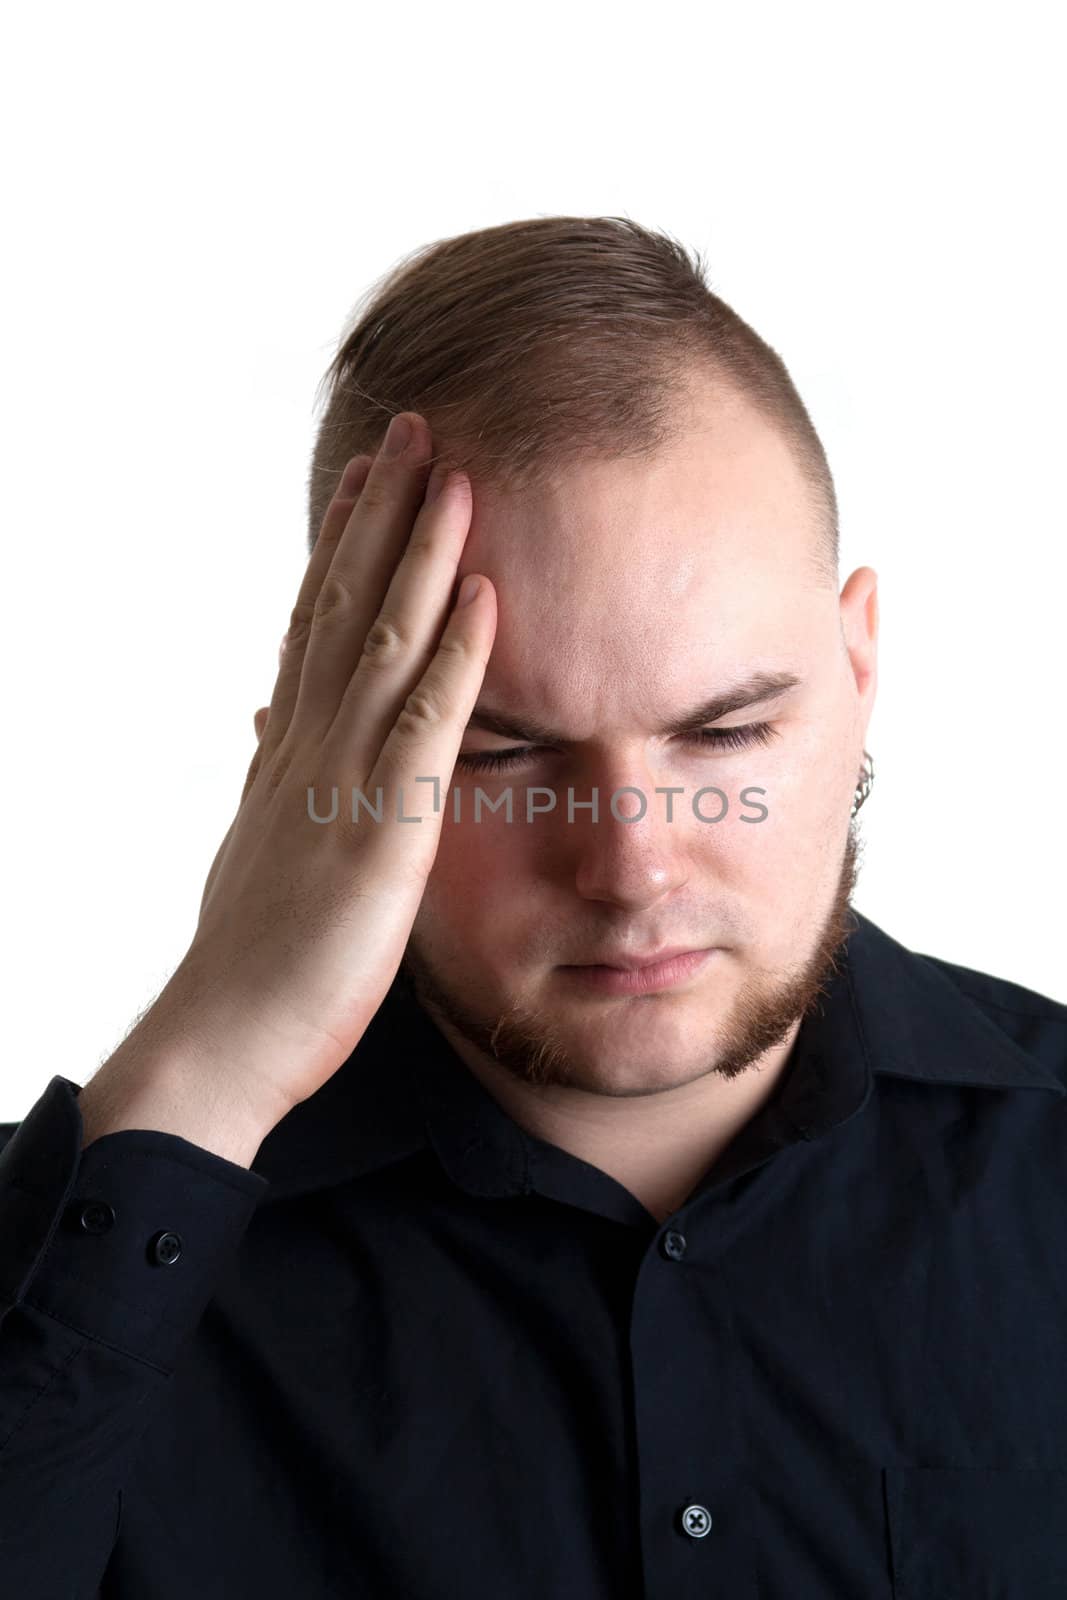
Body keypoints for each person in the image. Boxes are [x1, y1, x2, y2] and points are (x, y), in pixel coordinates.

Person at [1, 216, 1065, 1599]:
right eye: (501, 754)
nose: (632, 865)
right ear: (323, 754)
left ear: (862, 667)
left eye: (729, 734)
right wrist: (206, 1063)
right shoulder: (76, 1276)